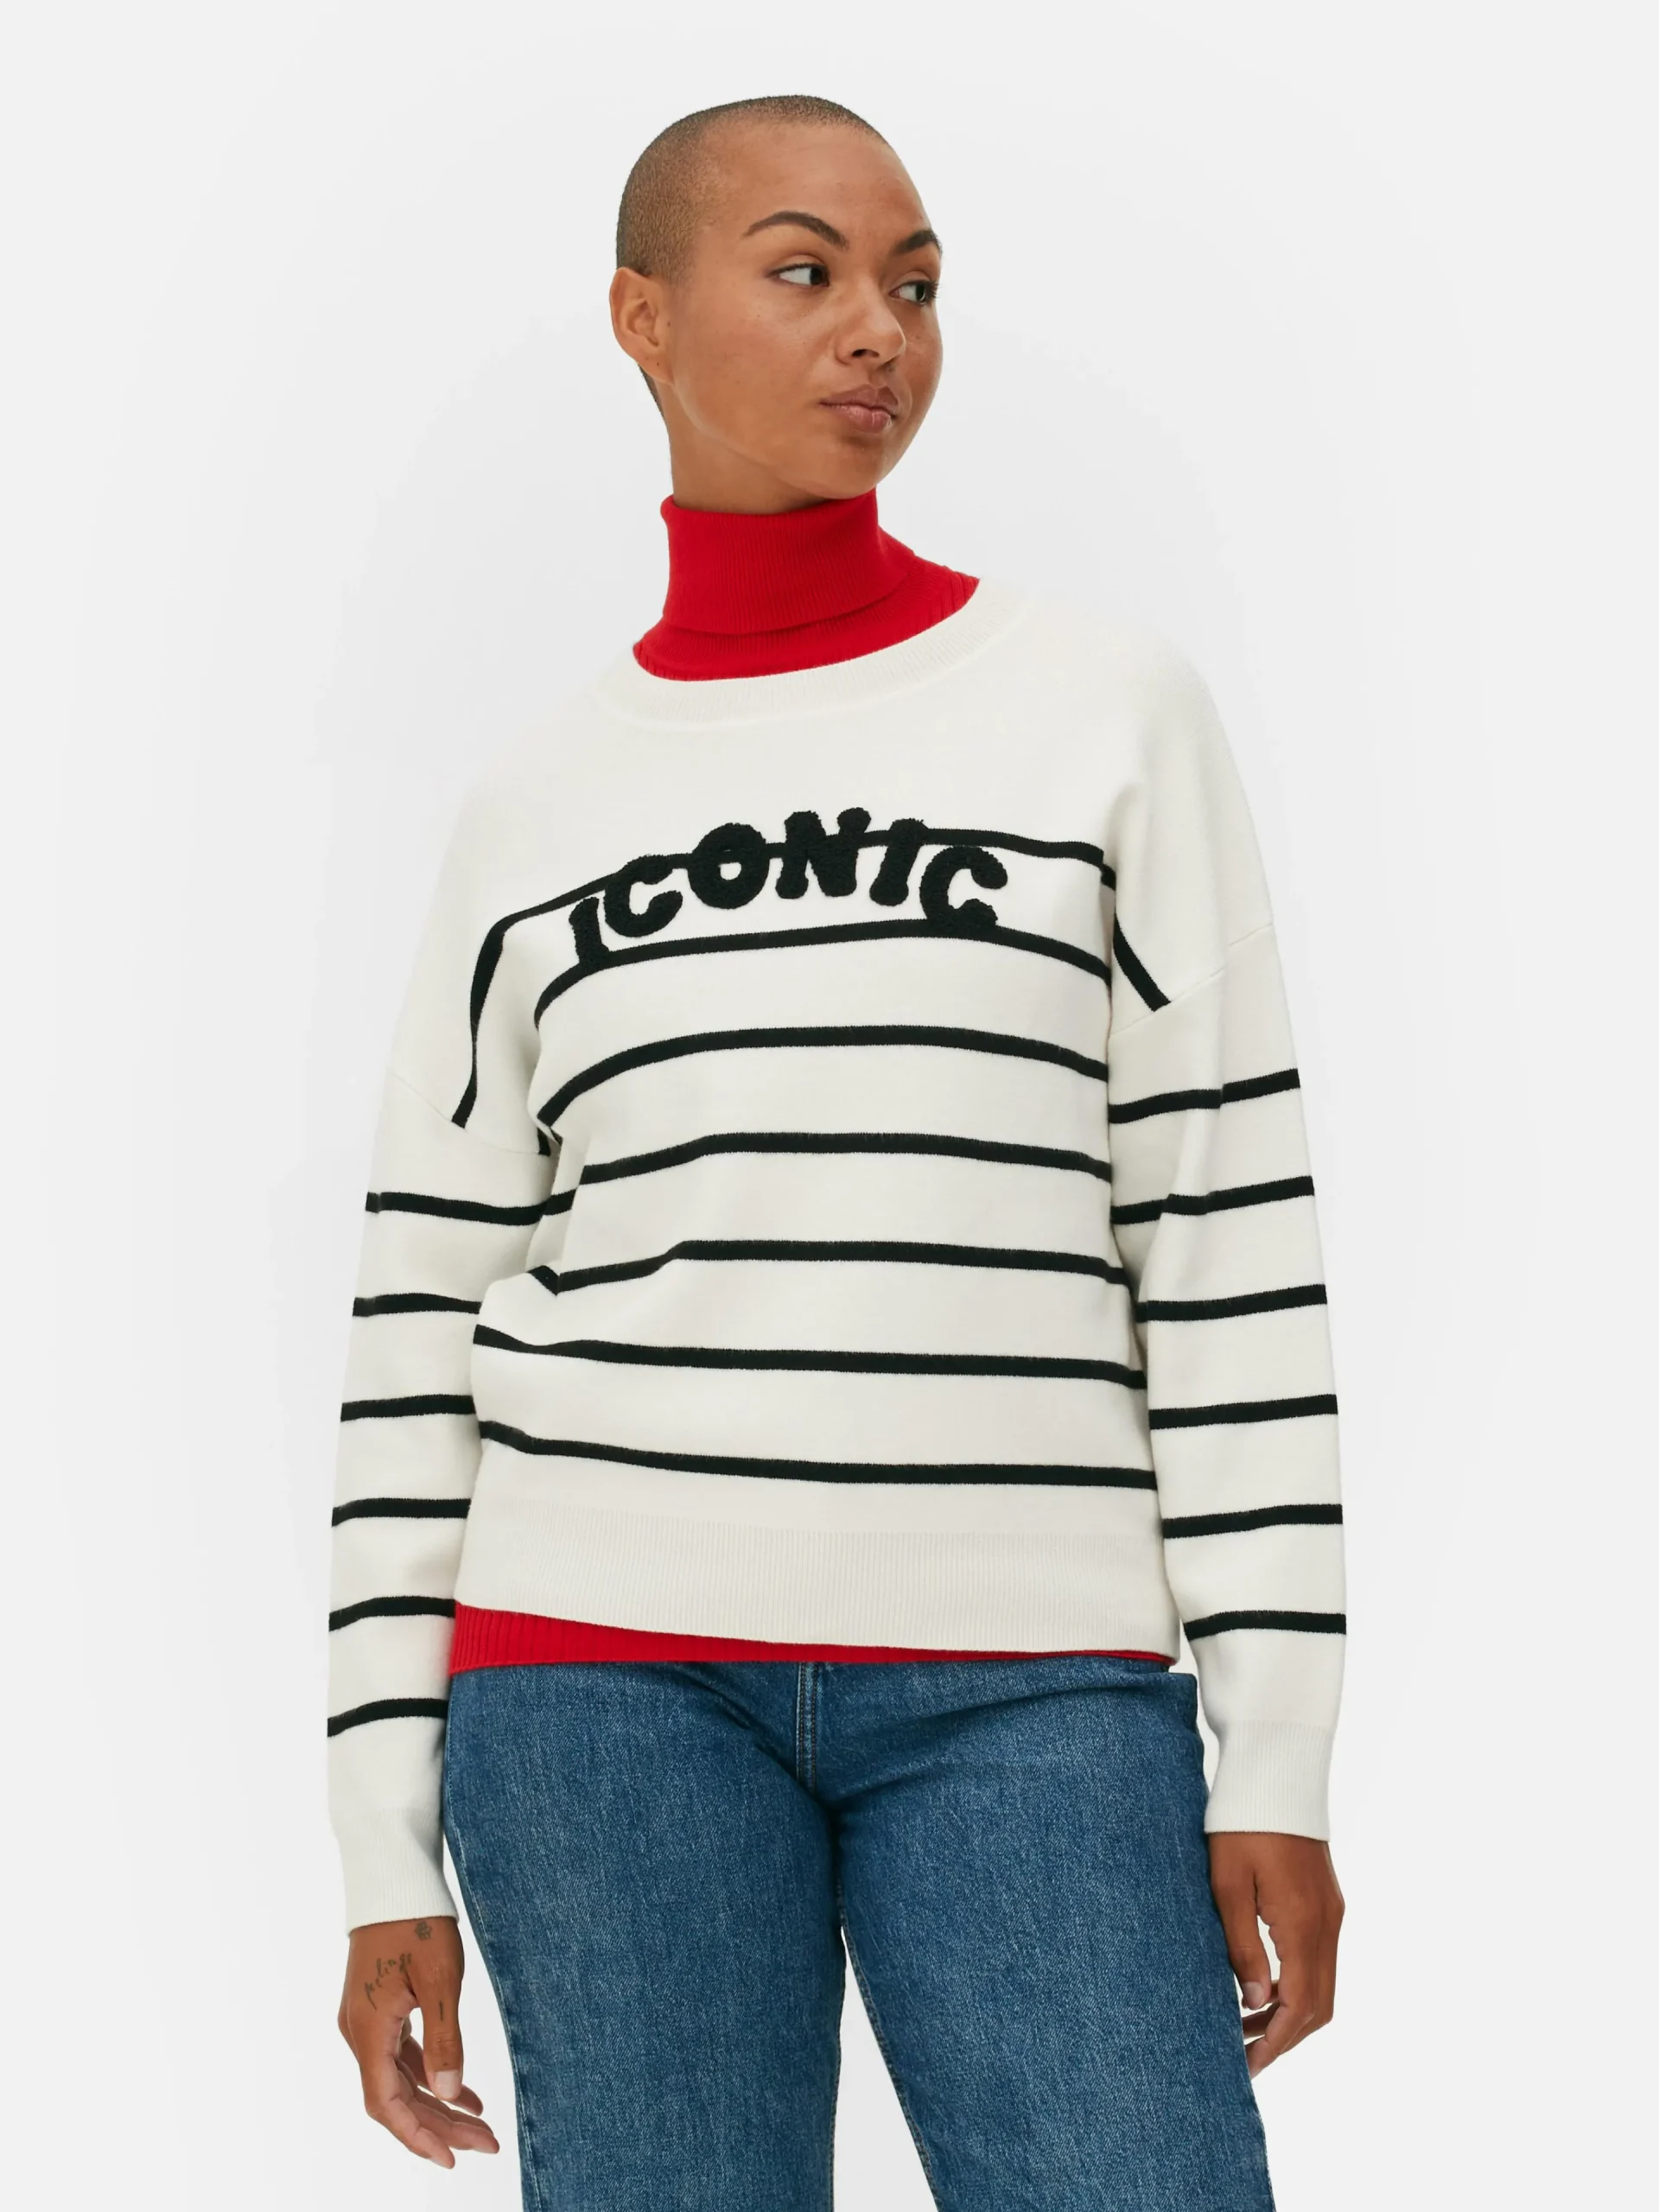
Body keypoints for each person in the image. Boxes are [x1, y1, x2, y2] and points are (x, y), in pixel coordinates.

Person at [328, 92, 1346, 2210]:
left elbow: (1220, 1232)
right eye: (804, 272)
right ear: (642, 316)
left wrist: (1279, 1748)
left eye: (915, 283)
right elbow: (424, 1305)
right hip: (595, 1683)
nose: (878, 328)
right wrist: (376, 1844)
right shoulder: (537, 802)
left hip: (1037, 1678)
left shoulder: (1105, 711)